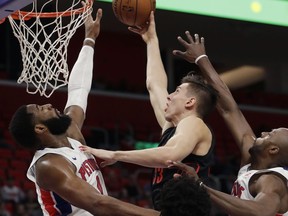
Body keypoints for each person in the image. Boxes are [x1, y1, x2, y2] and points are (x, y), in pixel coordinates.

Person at [8, 8, 159, 216]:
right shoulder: (48, 164)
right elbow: (99, 204)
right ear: (40, 128)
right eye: (41, 109)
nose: (49, 105)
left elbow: (78, 90)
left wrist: (89, 39)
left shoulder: (71, 133)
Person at [79, 11, 218, 210]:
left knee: (104, 206)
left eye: (177, 91)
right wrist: (151, 40)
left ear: (190, 103)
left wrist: (115, 155)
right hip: (166, 209)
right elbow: (155, 85)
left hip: (187, 212)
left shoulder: (194, 123)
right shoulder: (173, 126)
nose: (169, 96)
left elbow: (170, 155)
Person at [169, 31, 288, 216]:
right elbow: (228, 108)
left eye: (270, 135)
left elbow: (261, 212)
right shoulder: (252, 161)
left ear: (273, 150)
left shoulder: (272, 180)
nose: (263, 133)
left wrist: (200, 185)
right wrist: (201, 59)